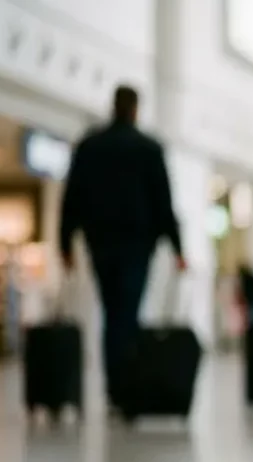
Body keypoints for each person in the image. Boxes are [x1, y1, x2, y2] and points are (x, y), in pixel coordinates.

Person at [60, 84, 185, 411]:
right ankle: (124, 384)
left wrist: (65, 243)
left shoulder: (90, 146)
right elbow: (163, 202)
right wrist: (178, 248)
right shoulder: (148, 149)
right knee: (127, 312)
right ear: (135, 109)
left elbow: (72, 198)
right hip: (136, 246)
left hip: (100, 243)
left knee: (112, 311)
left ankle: (115, 384)